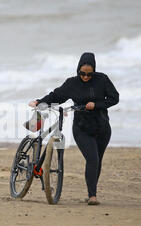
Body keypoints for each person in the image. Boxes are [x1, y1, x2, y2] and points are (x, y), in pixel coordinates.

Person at [28, 52, 119, 205]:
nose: (85, 77)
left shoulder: (102, 80)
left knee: (97, 161)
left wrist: (97, 105)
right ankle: (92, 196)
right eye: (82, 73)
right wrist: (39, 102)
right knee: (92, 158)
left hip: (103, 128)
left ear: (94, 71)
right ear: (78, 70)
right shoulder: (72, 83)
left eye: (89, 74)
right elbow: (56, 96)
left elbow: (114, 98)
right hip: (82, 129)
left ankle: (91, 192)